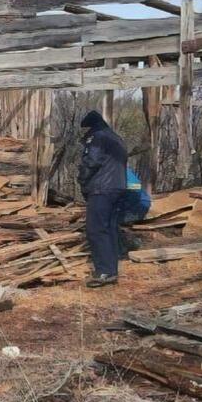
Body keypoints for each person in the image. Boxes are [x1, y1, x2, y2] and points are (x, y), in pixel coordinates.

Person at [78, 110, 128, 287]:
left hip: (101, 189)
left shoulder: (97, 137)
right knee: (110, 229)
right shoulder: (116, 138)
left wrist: (82, 180)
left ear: (91, 127)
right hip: (118, 188)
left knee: (96, 229)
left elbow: (92, 161)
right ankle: (111, 269)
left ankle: (104, 272)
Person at [115, 166, 151, 257]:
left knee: (109, 222)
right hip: (134, 202)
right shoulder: (115, 169)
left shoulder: (121, 170)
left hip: (137, 204)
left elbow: (134, 189)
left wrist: (121, 206)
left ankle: (122, 249)